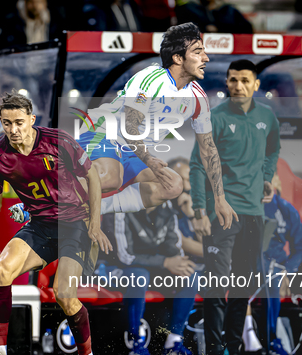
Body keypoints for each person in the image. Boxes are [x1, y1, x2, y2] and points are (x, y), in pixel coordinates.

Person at [0, 91, 112, 355]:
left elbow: (92, 176)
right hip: (40, 224)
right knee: (0, 270)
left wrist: (94, 222)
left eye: (18, 122)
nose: (13, 130)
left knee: (64, 294)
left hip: (74, 222)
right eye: (6, 123)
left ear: (32, 119)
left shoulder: (58, 141)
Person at [75, 22, 237, 230]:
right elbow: (130, 128)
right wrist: (149, 159)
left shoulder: (198, 97)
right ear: (178, 58)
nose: (206, 58)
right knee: (110, 178)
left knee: (173, 185)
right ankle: (45, 200)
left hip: (131, 149)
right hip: (103, 130)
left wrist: (219, 198)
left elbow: (208, 149)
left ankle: (96, 208)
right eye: (198, 52)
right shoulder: (150, 79)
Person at [190, 59, 280, 355]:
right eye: (232, 80)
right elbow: (197, 165)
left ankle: (233, 350)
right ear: (226, 84)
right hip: (221, 213)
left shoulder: (267, 117)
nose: (237, 86)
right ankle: (214, 353)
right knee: (216, 282)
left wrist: (268, 176)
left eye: (244, 80)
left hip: (254, 213)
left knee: (242, 284)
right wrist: (200, 210)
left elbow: (273, 149)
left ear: (256, 85)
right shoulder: (213, 117)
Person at [100, 203, 200, 355]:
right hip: (112, 268)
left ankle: (173, 345)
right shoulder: (122, 207)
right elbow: (125, 256)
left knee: (189, 275)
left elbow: (173, 249)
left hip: (150, 269)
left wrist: (176, 262)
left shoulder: (168, 210)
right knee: (139, 275)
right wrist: (165, 261)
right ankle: (135, 346)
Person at [254, 171, 302, 355]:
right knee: (271, 275)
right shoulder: (250, 206)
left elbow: (301, 248)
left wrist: (288, 270)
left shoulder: (286, 209)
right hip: (253, 265)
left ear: (277, 181)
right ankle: (269, 342)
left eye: (272, 176)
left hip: (281, 267)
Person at [175, 0, 253, 34]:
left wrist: (220, 29)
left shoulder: (229, 11)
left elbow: (247, 31)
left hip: (225, 54)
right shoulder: (189, 9)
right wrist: (204, 28)